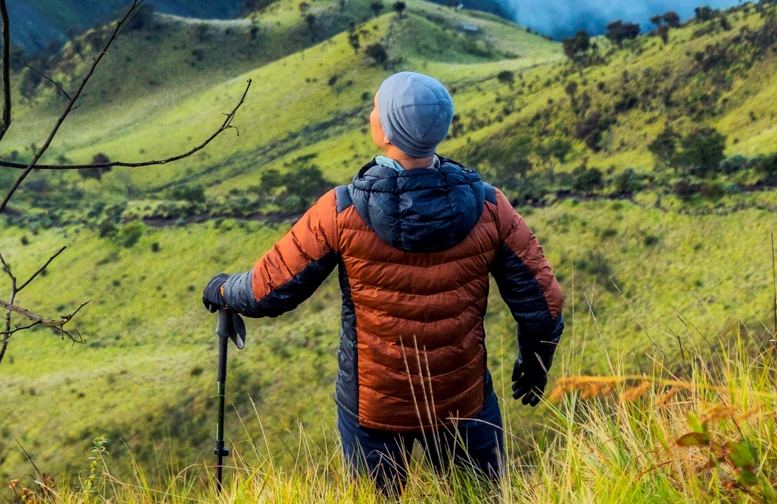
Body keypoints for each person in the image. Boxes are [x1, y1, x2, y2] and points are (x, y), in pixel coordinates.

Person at [200, 70, 563, 485]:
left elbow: (269, 291)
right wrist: (535, 362)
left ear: (386, 130)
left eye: (376, 106)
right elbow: (543, 304)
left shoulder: (340, 211)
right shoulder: (489, 206)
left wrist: (224, 289)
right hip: (464, 401)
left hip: (373, 409)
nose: (370, 111)